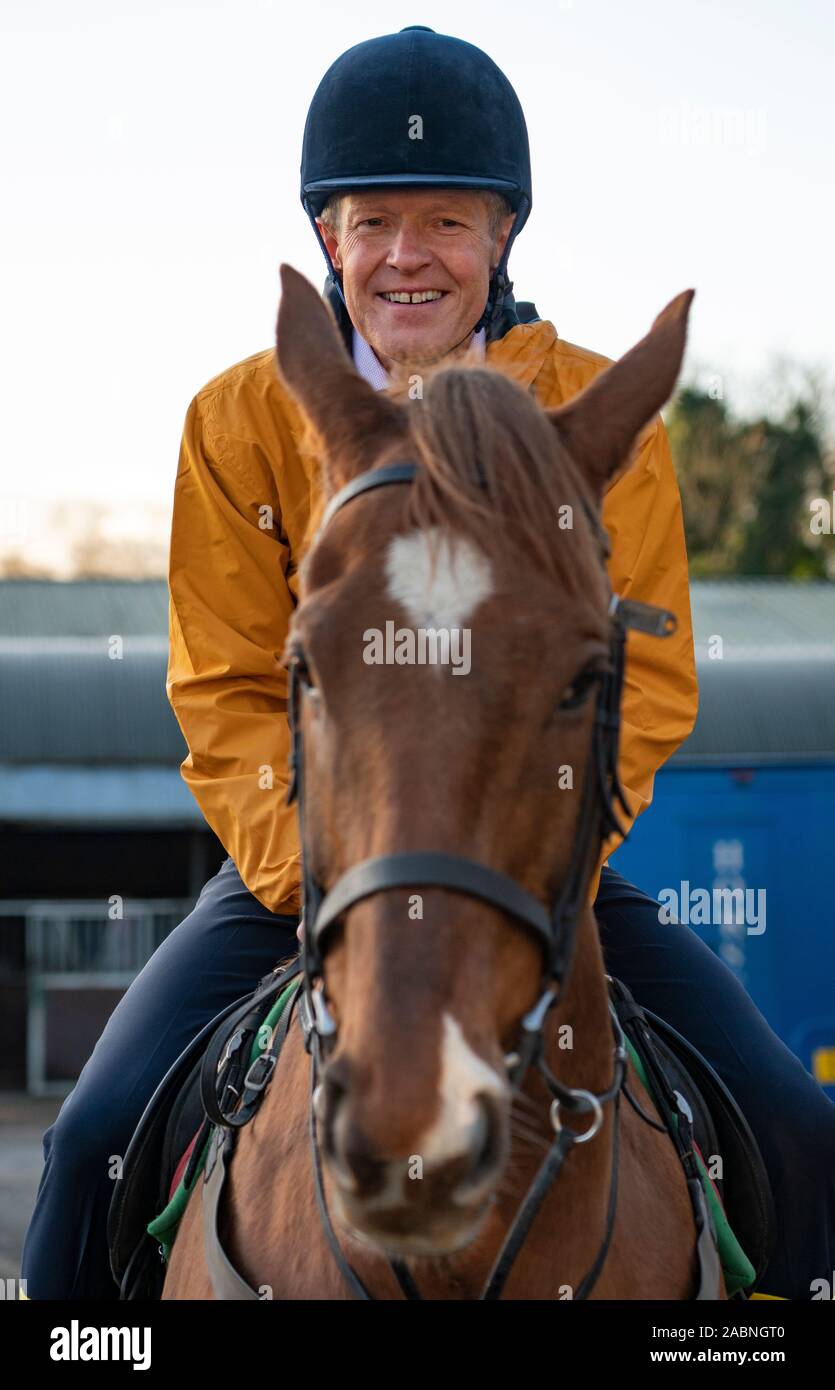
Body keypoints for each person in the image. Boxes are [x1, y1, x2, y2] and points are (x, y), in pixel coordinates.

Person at [21, 26, 834, 1302]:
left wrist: (535, 852)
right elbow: (226, 691)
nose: (409, 256)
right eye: (374, 221)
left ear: (504, 234)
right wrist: (328, 876)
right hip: (308, 869)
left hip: (533, 869)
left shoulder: (602, 419)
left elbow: (650, 678)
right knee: (86, 1141)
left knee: (799, 1129)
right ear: (327, 239)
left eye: (447, 221)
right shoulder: (235, 424)